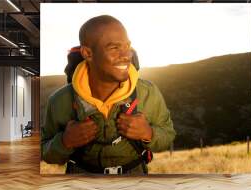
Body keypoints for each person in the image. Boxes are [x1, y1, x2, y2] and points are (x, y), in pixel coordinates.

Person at [41, 15, 176, 174]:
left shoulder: (148, 92)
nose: (126, 55)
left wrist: (148, 133)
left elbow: (168, 135)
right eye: (114, 48)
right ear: (88, 53)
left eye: (127, 46)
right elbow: (46, 153)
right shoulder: (60, 100)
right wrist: (65, 142)